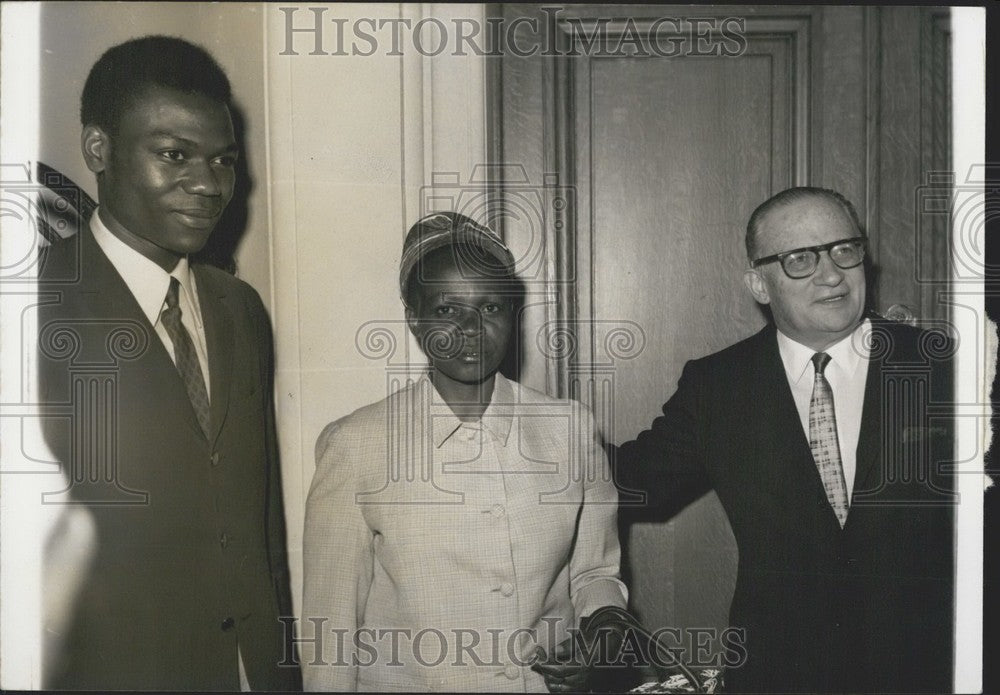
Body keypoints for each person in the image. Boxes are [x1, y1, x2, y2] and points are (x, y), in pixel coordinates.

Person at [36, 36, 300, 690]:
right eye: (174, 155)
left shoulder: (241, 308)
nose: (209, 185)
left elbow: (263, 531)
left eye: (223, 160)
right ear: (98, 150)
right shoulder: (36, 305)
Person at [615, 187, 954, 693]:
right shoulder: (719, 387)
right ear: (759, 283)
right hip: (779, 675)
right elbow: (630, 482)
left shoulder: (945, 366)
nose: (832, 274)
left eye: (845, 249)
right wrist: (522, 427)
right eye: (800, 259)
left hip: (930, 673)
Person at [301, 212, 629, 691]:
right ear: (414, 320)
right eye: (447, 310)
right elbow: (331, 632)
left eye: (490, 307)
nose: (472, 328)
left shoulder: (570, 429)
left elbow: (595, 573)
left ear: (512, 315)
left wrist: (602, 630)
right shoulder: (356, 446)